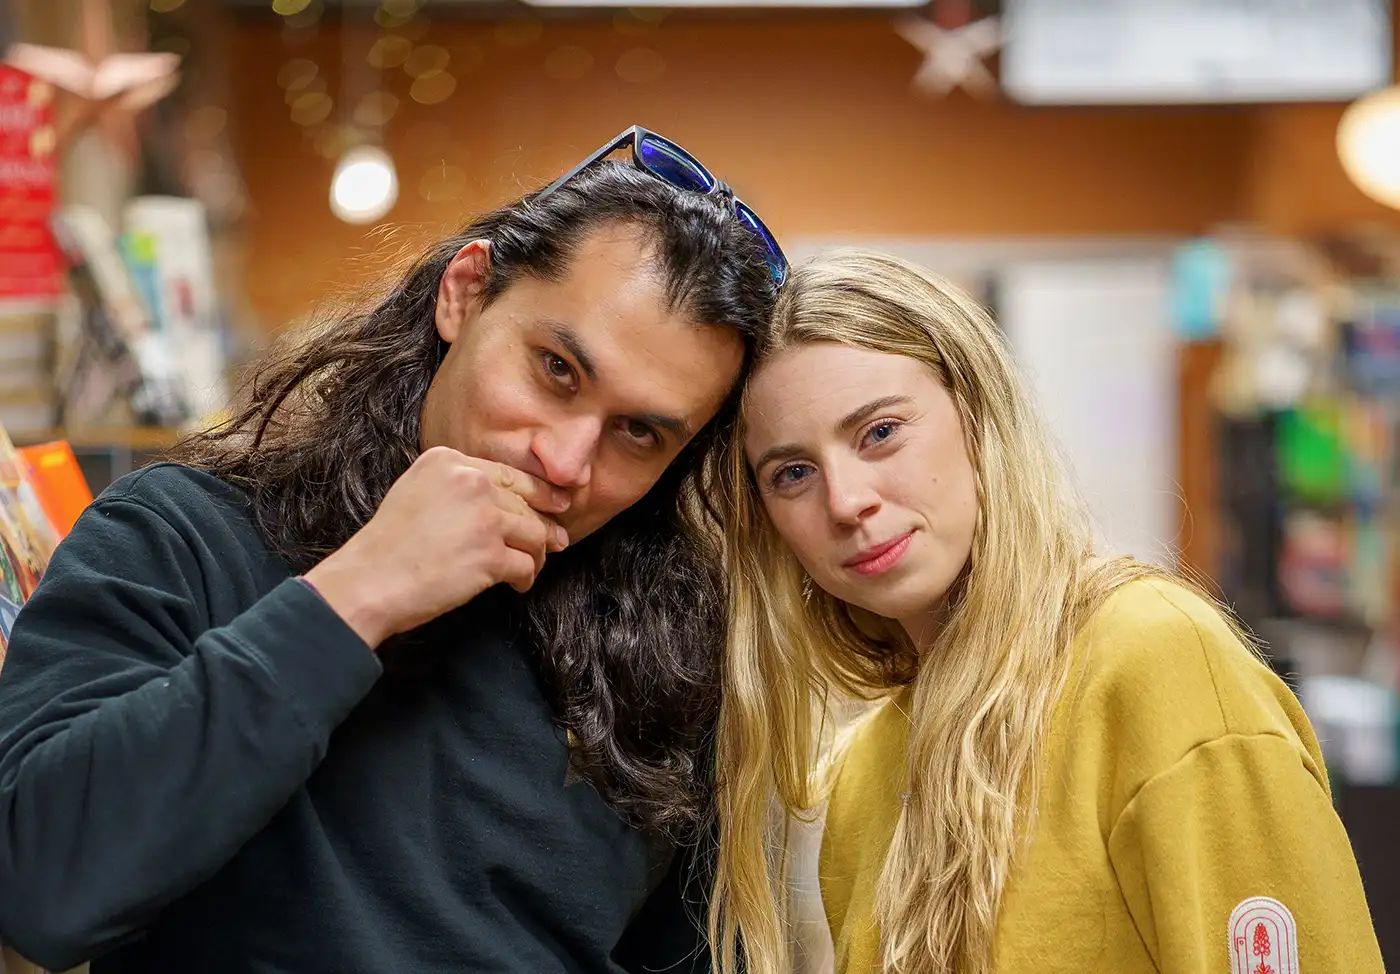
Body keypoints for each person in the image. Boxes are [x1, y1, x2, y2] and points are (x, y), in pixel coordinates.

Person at [0, 125, 784, 973]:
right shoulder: (183, 535)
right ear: (465, 292)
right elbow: (40, 894)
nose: (564, 461)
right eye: (556, 368)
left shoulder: (668, 662)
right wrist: (359, 593)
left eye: (637, 433)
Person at [706, 250, 1384, 974]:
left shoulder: (1155, 662)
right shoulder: (865, 774)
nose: (845, 501)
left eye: (879, 433)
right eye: (793, 473)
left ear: (977, 413)